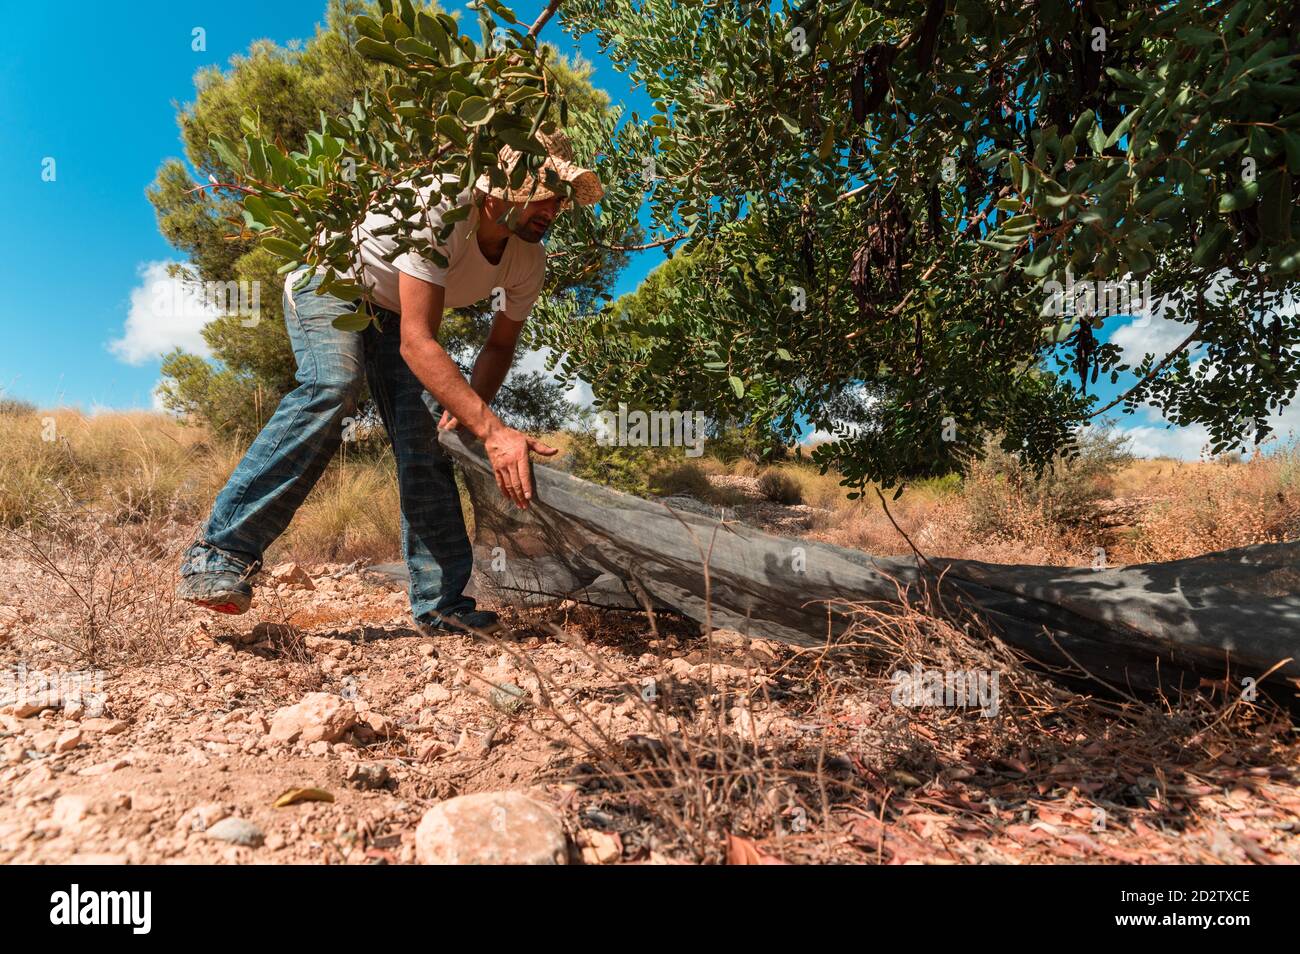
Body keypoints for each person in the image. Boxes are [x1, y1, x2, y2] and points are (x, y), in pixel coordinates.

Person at [177, 129, 602, 635]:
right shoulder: (441, 210)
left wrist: (470, 415)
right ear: (494, 195)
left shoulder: (527, 259)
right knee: (332, 386)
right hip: (333, 282)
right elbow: (418, 343)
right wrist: (493, 431)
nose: (554, 208)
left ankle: (442, 606)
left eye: (560, 196)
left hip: (397, 310)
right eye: (543, 194)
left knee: (430, 440)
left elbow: (499, 346)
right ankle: (218, 555)